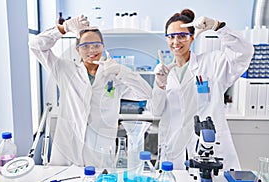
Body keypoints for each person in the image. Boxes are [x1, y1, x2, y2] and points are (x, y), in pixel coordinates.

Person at [29, 15, 152, 167]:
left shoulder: (114, 76)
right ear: (77, 50)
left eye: (96, 45)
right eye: (85, 46)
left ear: (103, 46)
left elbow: (146, 93)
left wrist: (121, 71)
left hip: (99, 152)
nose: (91, 50)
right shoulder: (65, 69)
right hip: (67, 152)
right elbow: (35, 45)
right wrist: (63, 28)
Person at [151, 9, 254, 170]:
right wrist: (159, 84)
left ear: (192, 37)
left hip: (209, 148)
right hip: (175, 150)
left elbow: (243, 52)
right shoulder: (166, 73)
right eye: (171, 36)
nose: (176, 42)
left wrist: (218, 27)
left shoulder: (211, 63)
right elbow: (156, 111)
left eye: (182, 36)